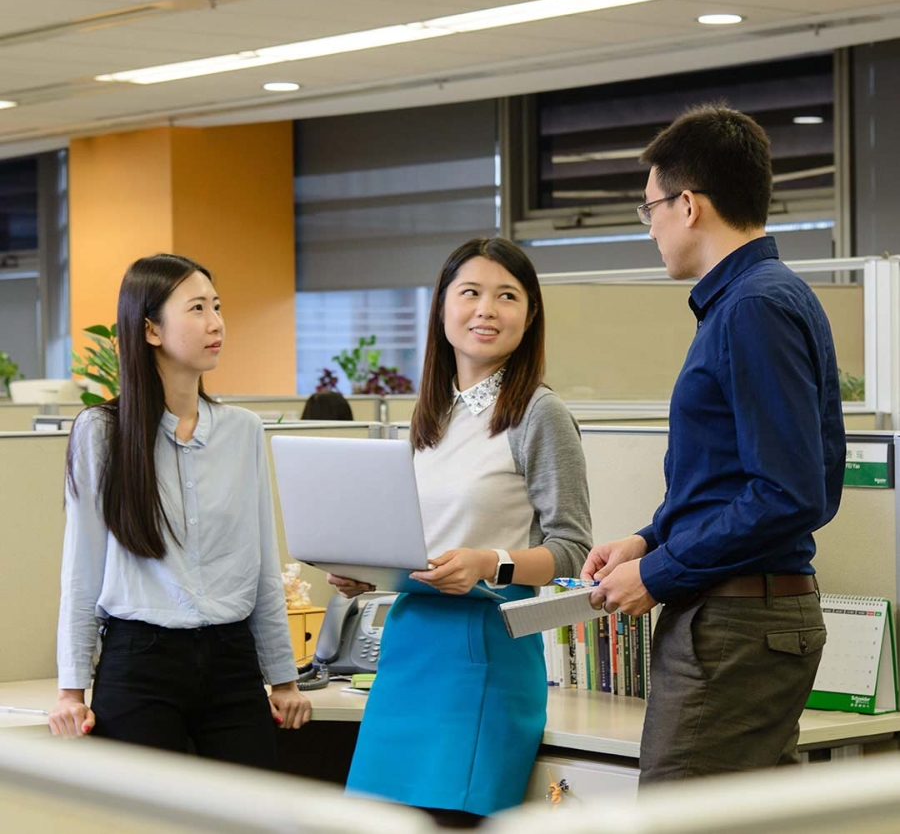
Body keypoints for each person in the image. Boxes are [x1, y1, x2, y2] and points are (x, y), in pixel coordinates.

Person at [582, 104, 846, 784]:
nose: (651, 230)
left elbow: (787, 493)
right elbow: (732, 479)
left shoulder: (754, 307)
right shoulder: (753, 301)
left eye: (649, 211)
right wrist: (648, 541)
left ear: (688, 204)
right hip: (738, 616)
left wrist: (659, 574)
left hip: (737, 624)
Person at [331, 237, 591, 826]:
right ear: (442, 308)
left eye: (507, 296)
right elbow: (414, 539)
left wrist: (488, 562)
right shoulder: (430, 412)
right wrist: (364, 570)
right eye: (469, 293)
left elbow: (571, 548)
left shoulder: (539, 413)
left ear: (530, 315)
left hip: (484, 652)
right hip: (408, 647)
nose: (486, 310)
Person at [49, 253, 311, 767]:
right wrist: (71, 691)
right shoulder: (102, 433)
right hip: (139, 662)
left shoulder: (243, 431)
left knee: (254, 814)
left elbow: (261, 564)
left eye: (217, 307)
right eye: (196, 309)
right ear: (150, 330)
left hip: (232, 661)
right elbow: (81, 573)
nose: (216, 324)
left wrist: (283, 679)